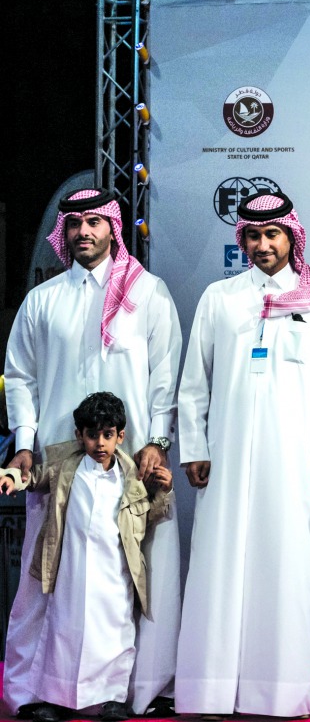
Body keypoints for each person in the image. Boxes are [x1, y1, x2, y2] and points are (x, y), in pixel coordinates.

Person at [3, 188, 183, 717]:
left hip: (130, 463)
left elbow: (165, 378)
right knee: (48, 577)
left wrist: (157, 442)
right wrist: (24, 446)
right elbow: (20, 378)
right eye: (75, 223)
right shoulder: (44, 299)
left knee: (124, 577)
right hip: (58, 464)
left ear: (114, 227)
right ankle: (37, 694)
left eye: (94, 222)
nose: (84, 231)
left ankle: (127, 692)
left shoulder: (148, 293)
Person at [175, 190, 310, 718]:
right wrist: (194, 446)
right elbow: (193, 382)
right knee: (219, 566)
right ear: (242, 240)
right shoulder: (219, 298)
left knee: (289, 565)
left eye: (273, 234)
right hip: (225, 458)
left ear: (291, 236)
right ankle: (212, 690)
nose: (263, 244)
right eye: (253, 235)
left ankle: (279, 691)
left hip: (295, 460)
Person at [0, 392, 174, 722]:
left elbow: (149, 515)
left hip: (114, 571)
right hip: (70, 570)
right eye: (92, 434)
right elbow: (33, 477)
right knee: (64, 629)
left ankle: (111, 699)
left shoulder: (131, 474)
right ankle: (55, 697)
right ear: (80, 435)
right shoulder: (65, 464)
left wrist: (162, 490)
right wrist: (13, 477)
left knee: (114, 632)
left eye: (108, 434)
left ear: (120, 436)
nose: (99, 442)